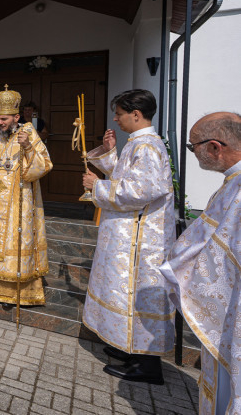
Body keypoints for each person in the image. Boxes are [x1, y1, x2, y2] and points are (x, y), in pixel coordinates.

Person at [81, 89, 175, 385]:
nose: (115, 119)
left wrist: (97, 186)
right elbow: (128, 178)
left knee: (138, 294)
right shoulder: (138, 143)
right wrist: (110, 153)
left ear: (136, 114)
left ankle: (147, 364)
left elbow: (141, 191)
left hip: (141, 241)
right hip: (129, 233)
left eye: (119, 113)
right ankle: (131, 348)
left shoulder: (147, 146)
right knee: (125, 293)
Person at [161, 112, 241, 412]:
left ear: (215, 147)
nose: (192, 152)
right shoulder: (233, 182)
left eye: (192, 146)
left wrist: (178, 268)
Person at [0, 85, 53, 307]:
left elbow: (44, 165)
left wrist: (28, 147)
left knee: (14, 244)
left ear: (16, 117)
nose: (0, 123)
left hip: (18, 203)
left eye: (4, 119)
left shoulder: (29, 133)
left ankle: (14, 294)